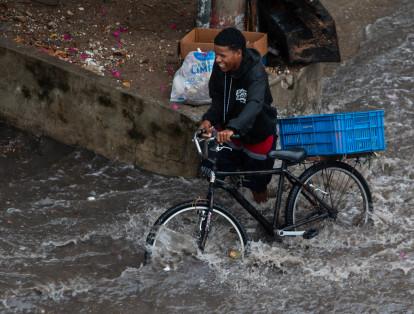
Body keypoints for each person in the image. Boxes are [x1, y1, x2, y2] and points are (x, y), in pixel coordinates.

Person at [199, 27, 278, 203]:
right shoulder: (220, 68)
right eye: (216, 54)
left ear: (238, 53)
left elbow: (254, 105)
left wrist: (233, 128)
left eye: (223, 55)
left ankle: (260, 218)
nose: (217, 59)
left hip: (257, 135)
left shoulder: (256, 72)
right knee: (217, 173)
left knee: (257, 186)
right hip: (230, 133)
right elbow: (218, 101)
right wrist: (208, 120)